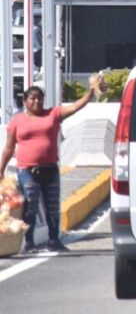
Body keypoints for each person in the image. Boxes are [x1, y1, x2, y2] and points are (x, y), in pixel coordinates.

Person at [0, 76, 103, 253]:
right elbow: (9, 148)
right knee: (30, 204)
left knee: (53, 207)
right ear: (25, 101)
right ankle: (29, 241)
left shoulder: (53, 114)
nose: (37, 101)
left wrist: (91, 93)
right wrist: (1, 169)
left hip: (50, 169)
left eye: (40, 98)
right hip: (27, 170)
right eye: (32, 98)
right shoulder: (17, 121)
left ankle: (54, 240)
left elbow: (75, 107)